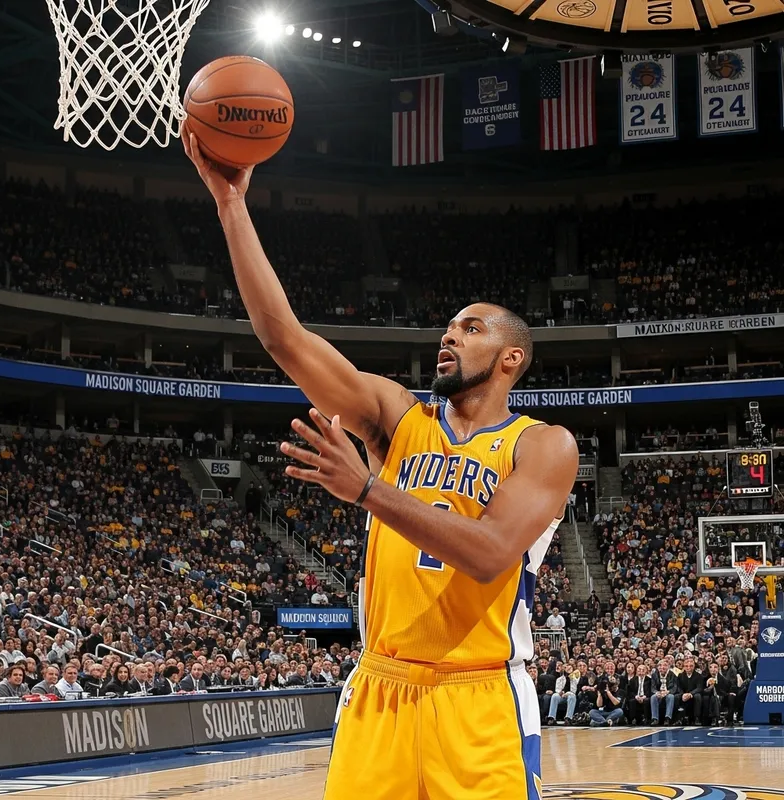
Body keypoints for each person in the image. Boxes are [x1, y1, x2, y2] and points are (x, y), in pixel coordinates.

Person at [184, 133, 579, 800]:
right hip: (379, 688)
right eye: (449, 326)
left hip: (478, 697)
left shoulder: (543, 445)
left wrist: (368, 490)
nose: (449, 335)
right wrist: (230, 204)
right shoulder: (398, 418)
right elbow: (283, 336)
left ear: (512, 360)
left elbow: (486, 555)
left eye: (472, 329)